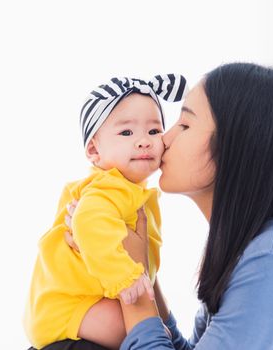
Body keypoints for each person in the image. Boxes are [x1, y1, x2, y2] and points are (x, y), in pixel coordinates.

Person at [60, 63, 273, 349]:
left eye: (185, 124)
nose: (164, 138)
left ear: (235, 146)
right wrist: (138, 268)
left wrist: (132, 284)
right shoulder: (245, 245)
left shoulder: (271, 259)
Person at [23, 75, 188, 349]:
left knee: (145, 325)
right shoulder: (108, 187)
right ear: (93, 150)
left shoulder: (130, 191)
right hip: (71, 305)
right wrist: (126, 278)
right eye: (126, 133)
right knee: (128, 327)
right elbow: (88, 223)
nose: (144, 141)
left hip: (88, 300)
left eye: (154, 131)